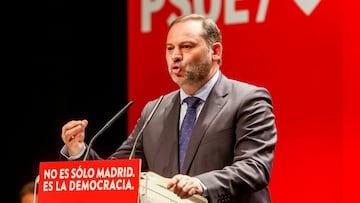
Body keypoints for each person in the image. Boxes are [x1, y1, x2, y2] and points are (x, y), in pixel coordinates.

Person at [60, 13, 278, 203]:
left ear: (216, 51)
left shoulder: (248, 99)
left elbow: (254, 167)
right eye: (170, 48)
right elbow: (118, 175)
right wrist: (79, 151)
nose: (175, 56)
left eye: (186, 46)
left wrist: (201, 184)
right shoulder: (154, 110)